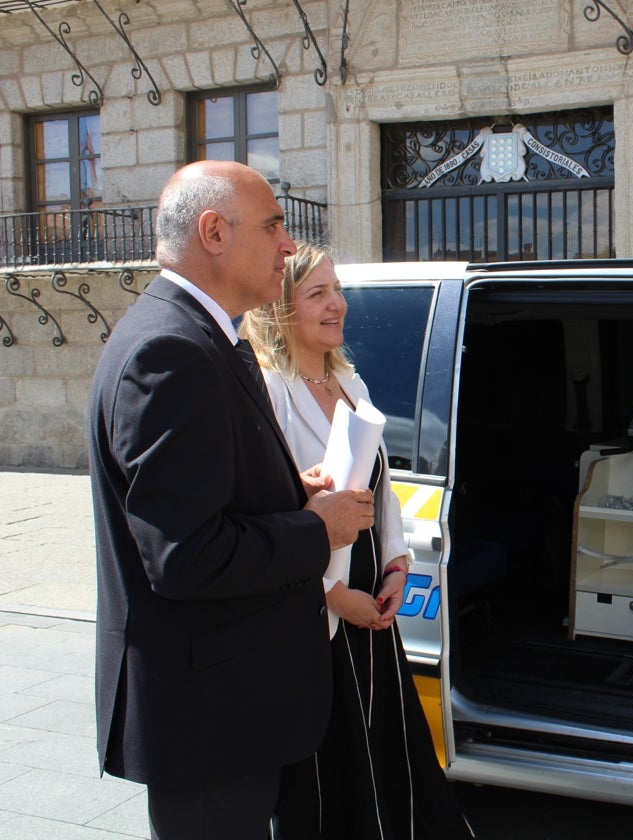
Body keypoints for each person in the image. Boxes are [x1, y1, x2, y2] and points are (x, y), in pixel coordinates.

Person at [88, 161, 377, 840]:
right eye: (273, 224)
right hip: (208, 717)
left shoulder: (199, 336)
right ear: (213, 232)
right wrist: (316, 528)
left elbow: (205, 499)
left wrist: (287, 493)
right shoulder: (171, 350)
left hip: (229, 707)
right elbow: (185, 555)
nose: (286, 244)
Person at [240, 243, 474, 840]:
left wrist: (397, 565)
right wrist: (331, 594)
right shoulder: (267, 392)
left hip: (371, 602)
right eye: (317, 293)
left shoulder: (349, 378)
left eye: (337, 290)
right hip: (314, 614)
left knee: (388, 756)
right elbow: (269, 515)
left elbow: (382, 485)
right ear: (280, 308)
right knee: (330, 773)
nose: (337, 304)